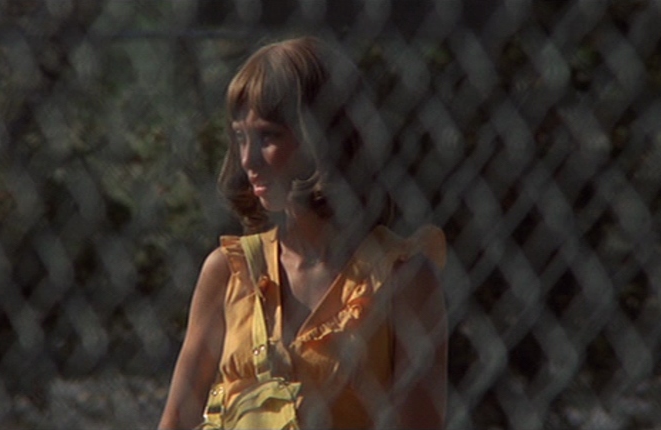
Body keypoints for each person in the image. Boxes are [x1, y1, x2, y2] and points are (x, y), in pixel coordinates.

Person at [159, 36, 448, 429]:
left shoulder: (403, 278)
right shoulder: (228, 271)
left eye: (268, 136)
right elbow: (175, 421)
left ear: (324, 137)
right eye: (240, 137)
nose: (248, 160)